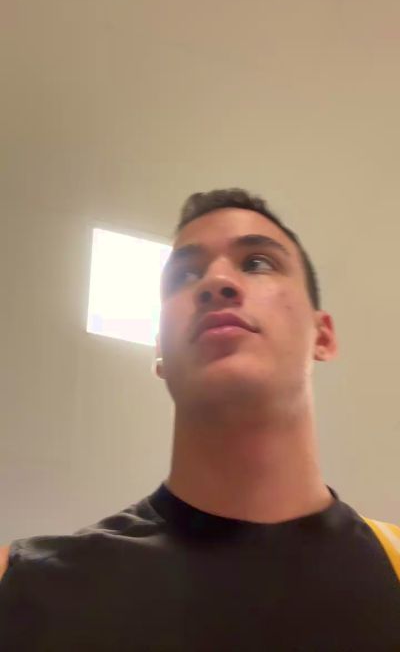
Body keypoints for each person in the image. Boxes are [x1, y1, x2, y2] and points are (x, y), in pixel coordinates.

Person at [0, 187, 399, 651]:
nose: (216, 282)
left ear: (322, 335)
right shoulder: (21, 589)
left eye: (257, 262)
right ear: (160, 353)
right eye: (186, 275)